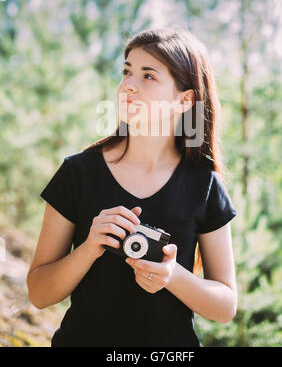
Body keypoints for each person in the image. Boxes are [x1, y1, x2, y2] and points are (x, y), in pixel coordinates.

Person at [27, 26, 238, 347]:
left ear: (184, 100)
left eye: (148, 76)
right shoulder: (78, 173)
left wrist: (173, 276)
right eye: (126, 72)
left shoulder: (203, 183)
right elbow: (39, 294)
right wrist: (88, 248)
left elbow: (225, 306)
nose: (127, 86)